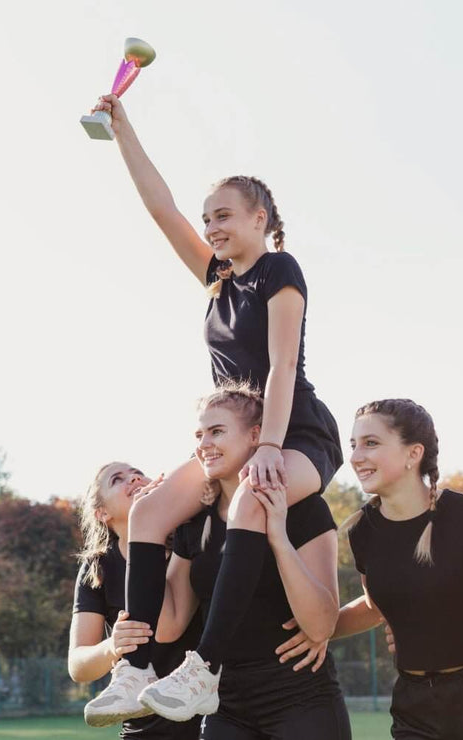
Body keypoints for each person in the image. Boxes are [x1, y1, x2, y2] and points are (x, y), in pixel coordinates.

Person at [84, 92, 343, 725]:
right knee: (147, 511)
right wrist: (123, 131)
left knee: (256, 496)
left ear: (259, 217)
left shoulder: (278, 270)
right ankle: (137, 667)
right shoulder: (217, 280)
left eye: (225, 215)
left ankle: (204, 669)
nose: (213, 228)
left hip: (295, 432)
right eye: (209, 220)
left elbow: (283, 366)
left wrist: (272, 450)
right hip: (232, 435)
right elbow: (160, 207)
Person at [280, 399, 463, 739]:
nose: (356, 456)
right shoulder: (363, 532)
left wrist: (461, 625)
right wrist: (317, 630)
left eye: (371, 443)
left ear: (413, 453)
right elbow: (374, 608)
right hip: (416, 708)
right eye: (353, 445)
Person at [145, 384, 350, 738]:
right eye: (199, 434)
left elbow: (321, 627)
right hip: (226, 705)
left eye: (217, 431)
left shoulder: (304, 509)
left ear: (256, 436)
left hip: (300, 698)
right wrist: (150, 535)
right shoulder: (194, 525)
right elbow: (169, 625)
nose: (204, 443)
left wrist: (278, 537)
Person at [71, 462, 203, 737]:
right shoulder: (99, 567)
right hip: (144, 728)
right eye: (118, 480)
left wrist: (145, 530)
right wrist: (113, 646)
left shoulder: (188, 537)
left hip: (209, 720)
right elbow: (78, 666)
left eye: (138, 473)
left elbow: (167, 627)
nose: (134, 478)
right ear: (102, 513)